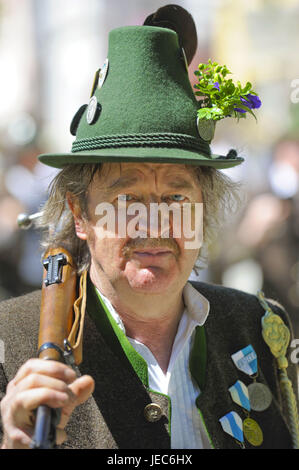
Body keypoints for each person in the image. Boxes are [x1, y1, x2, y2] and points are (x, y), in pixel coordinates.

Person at [0, 5, 298, 450]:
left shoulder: (257, 325)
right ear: (79, 215)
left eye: (176, 198)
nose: (155, 225)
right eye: (127, 199)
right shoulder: (9, 342)